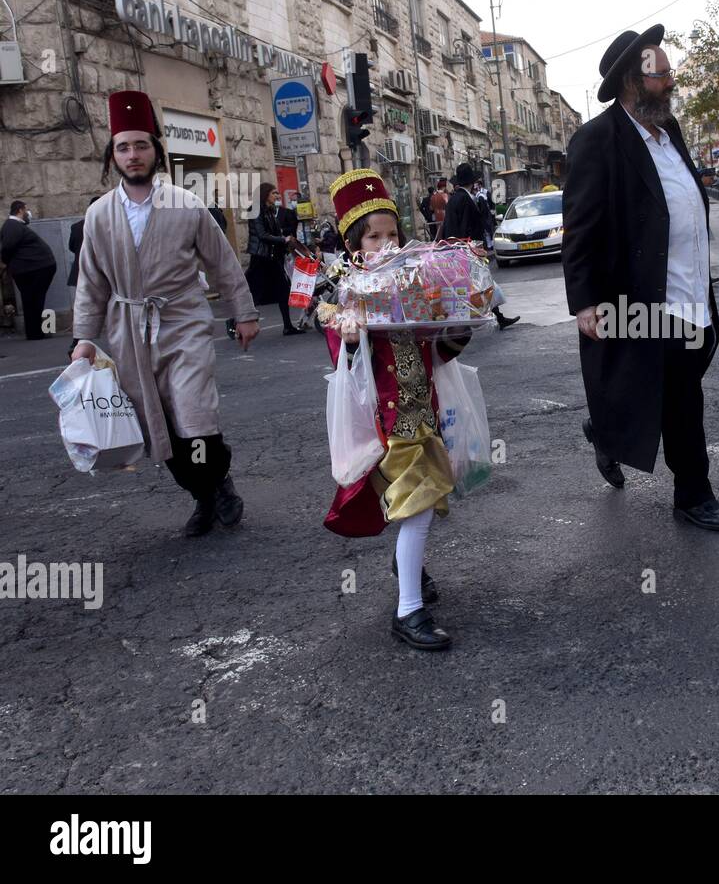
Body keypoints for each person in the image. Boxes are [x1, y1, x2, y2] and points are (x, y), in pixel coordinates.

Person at [563, 25, 719, 532]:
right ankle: (694, 494)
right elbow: (580, 228)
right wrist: (585, 300)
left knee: (664, 390)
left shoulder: (671, 131)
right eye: (661, 76)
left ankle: (604, 432)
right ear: (631, 81)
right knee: (680, 396)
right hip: (640, 298)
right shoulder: (598, 140)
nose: (670, 83)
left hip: (689, 291)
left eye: (669, 73)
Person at [71, 89, 259, 537]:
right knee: (160, 426)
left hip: (183, 321)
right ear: (112, 155)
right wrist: (84, 337)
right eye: (123, 147)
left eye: (141, 145)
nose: (132, 155)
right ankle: (203, 495)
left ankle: (218, 481)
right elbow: (91, 282)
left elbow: (222, 262)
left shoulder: (186, 204)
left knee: (195, 416)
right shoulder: (98, 216)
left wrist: (244, 313)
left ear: (156, 150)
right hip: (128, 333)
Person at [317, 168, 469, 651]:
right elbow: (345, 364)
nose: (385, 245)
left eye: (392, 234)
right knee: (419, 507)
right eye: (373, 237)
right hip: (388, 427)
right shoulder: (345, 298)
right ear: (353, 246)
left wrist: (459, 329)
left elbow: (433, 353)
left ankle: (410, 570)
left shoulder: (412, 286)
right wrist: (351, 337)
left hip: (425, 413)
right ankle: (407, 612)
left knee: (418, 507)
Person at [442, 162, 518, 329]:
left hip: (461, 248)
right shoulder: (463, 199)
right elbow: (463, 226)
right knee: (477, 284)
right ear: (472, 181)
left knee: (481, 283)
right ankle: (464, 321)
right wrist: (471, 247)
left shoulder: (456, 198)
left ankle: (498, 317)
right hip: (467, 248)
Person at [246, 182, 307, 335]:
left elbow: (274, 232)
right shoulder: (256, 211)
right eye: (274, 193)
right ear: (265, 194)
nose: (277, 196)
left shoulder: (269, 210)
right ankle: (234, 322)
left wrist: (284, 240)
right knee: (254, 293)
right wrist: (283, 240)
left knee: (283, 290)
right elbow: (262, 235)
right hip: (261, 257)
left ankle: (288, 326)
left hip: (272, 257)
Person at [1, 200, 57, 340]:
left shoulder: (13, 226)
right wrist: (6, 262)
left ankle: (34, 332)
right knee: (33, 300)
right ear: (20, 210)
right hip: (33, 269)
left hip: (32, 268)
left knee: (32, 300)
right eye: (26, 209)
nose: (28, 213)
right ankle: (35, 332)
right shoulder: (12, 226)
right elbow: (7, 247)